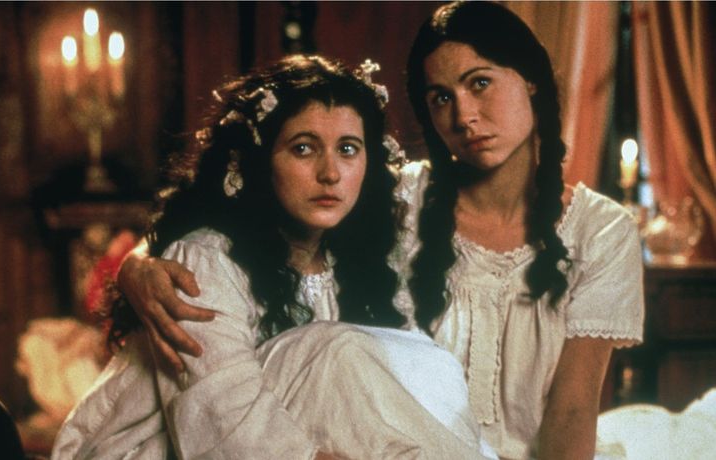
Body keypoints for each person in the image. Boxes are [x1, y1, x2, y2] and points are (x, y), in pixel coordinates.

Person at [119, 2, 646, 459]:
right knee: (337, 350)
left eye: (479, 83)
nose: (464, 115)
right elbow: (222, 231)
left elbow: (574, 408)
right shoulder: (398, 197)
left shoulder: (601, 231)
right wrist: (135, 268)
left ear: (529, 78)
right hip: (377, 446)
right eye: (441, 98)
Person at [51, 54, 495, 460]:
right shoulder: (205, 260)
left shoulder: (364, 258)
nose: (330, 173)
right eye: (303, 148)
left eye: (347, 149)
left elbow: (413, 393)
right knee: (337, 352)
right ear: (258, 161)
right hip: (157, 452)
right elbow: (224, 423)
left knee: (412, 362)